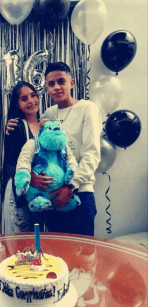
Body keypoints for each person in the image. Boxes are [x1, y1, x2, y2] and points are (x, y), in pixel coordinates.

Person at [6, 62, 102, 236]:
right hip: (51, 197)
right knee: (57, 255)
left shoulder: (88, 108)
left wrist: (70, 187)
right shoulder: (48, 115)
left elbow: (92, 155)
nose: (56, 87)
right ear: (46, 89)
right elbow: (35, 147)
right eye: (51, 84)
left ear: (71, 83)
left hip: (79, 193)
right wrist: (12, 123)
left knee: (83, 256)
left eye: (61, 81)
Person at [2, 81, 42, 233]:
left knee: (38, 245)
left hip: (39, 195)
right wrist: (29, 177)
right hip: (20, 196)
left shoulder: (46, 125)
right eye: (24, 98)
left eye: (33, 95)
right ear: (18, 105)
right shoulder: (16, 126)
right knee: (21, 245)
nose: (31, 101)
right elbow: (10, 164)